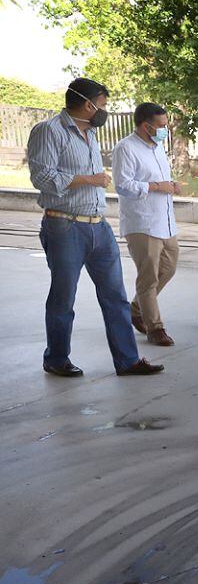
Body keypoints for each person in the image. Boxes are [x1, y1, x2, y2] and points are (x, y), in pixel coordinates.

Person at [26, 77, 164, 377]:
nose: (105, 110)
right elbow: (42, 177)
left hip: (98, 226)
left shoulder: (90, 133)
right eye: (102, 104)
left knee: (116, 296)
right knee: (64, 297)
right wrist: (90, 179)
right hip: (64, 226)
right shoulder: (49, 131)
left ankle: (128, 361)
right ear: (88, 104)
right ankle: (56, 359)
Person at [113, 102, 181, 346]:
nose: (165, 130)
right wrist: (155, 186)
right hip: (142, 223)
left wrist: (170, 185)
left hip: (165, 221)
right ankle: (155, 328)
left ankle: (135, 308)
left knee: (169, 267)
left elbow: (158, 179)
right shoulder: (126, 148)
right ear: (145, 126)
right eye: (162, 126)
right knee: (148, 277)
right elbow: (123, 185)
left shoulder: (157, 147)